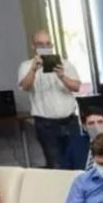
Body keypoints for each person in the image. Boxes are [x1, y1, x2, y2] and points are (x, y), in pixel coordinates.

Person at [17, 30, 82, 169]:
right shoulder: (26, 66)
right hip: (46, 125)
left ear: (52, 45)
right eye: (40, 44)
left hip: (70, 122)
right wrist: (33, 70)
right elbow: (25, 87)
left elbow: (76, 87)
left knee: (77, 163)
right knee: (56, 166)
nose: (45, 47)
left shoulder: (65, 64)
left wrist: (62, 76)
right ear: (33, 46)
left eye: (48, 43)